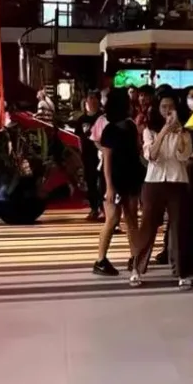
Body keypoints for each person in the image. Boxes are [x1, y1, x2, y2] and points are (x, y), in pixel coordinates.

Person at [130, 88, 193, 290]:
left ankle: (182, 272)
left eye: (171, 107)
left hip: (178, 181)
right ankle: (136, 268)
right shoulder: (150, 130)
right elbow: (152, 156)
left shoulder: (184, 131)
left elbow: (184, 156)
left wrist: (180, 132)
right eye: (164, 107)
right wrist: (165, 131)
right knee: (148, 226)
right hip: (154, 182)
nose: (168, 111)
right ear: (157, 109)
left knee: (179, 228)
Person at [92, 88, 144, 276]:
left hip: (130, 176)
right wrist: (109, 187)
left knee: (131, 219)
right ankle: (100, 260)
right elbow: (107, 160)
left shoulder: (129, 126)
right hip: (114, 178)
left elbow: (136, 149)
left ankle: (135, 257)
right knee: (112, 219)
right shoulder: (110, 130)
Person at [71, 90, 104, 221]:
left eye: (94, 98)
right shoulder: (82, 119)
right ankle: (94, 208)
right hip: (87, 155)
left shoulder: (102, 118)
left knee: (101, 182)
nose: (92, 101)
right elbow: (77, 137)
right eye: (89, 98)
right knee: (90, 181)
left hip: (101, 155)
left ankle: (103, 208)